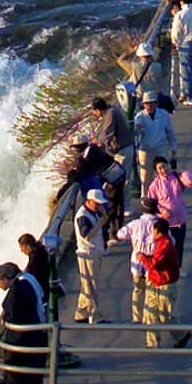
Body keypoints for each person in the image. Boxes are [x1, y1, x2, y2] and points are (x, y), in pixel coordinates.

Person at [0, 262, 47, 384]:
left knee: (18, 365)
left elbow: (17, 314)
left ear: (5, 279)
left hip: (26, 336)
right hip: (35, 331)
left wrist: (7, 321)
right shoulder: (26, 280)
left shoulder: (19, 289)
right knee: (29, 367)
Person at [138, 218, 191, 349]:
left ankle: (182, 335)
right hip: (156, 281)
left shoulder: (165, 244)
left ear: (158, 231)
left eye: (153, 230)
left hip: (165, 283)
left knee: (164, 316)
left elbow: (154, 263)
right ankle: (152, 344)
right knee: (150, 313)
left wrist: (142, 257)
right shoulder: (161, 243)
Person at [115, 198, 160, 324]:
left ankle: (136, 317)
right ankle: (148, 316)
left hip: (137, 263)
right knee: (151, 293)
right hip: (153, 264)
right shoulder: (160, 224)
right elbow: (171, 241)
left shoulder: (135, 224)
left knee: (137, 290)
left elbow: (120, 235)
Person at [147, 156, 192, 269]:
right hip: (166, 223)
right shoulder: (155, 185)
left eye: (164, 166)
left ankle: (178, 267)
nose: (163, 169)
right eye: (160, 168)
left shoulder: (176, 178)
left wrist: (179, 171)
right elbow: (150, 204)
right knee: (164, 247)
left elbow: (190, 181)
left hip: (180, 219)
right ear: (157, 171)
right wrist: (161, 210)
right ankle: (165, 268)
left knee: (179, 245)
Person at [73, 187, 110, 324]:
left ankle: (81, 313)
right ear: (89, 201)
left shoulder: (93, 212)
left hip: (95, 251)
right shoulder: (83, 216)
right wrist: (100, 222)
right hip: (87, 253)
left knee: (87, 283)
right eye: (97, 203)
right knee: (91, 285)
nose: (99, 206)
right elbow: (86, 235)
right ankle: (95, 317)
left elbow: (104, 220)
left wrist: (103, 215)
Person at [133, 92, 178, 195]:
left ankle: (167, 197)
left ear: (156, 103)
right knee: (145, 178)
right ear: (143, 104)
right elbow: (136, 134)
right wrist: (138, 129)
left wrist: (174, 146)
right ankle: (145, 200)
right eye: (147, 103)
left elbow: (170, 131)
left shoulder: (163, 114)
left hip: (161, 147)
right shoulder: (139, 117)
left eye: (152, 103)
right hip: (145, 149)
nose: (149, 106)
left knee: (165, 175)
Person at [92, 95, 134, 196]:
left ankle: (126, 206)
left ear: (98, 110)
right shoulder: (109, 112)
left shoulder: (111, 114)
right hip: (118, 150)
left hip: (123, 149)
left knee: (123, 177)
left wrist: (98, 144)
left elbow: (107, 133)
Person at [18, 233, 51, 306]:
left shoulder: (35, 257)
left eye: (21, 247)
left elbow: (35, 275)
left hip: (43, 290)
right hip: (46, 283)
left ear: (27, 246)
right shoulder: (39, 249)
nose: (21, 250)